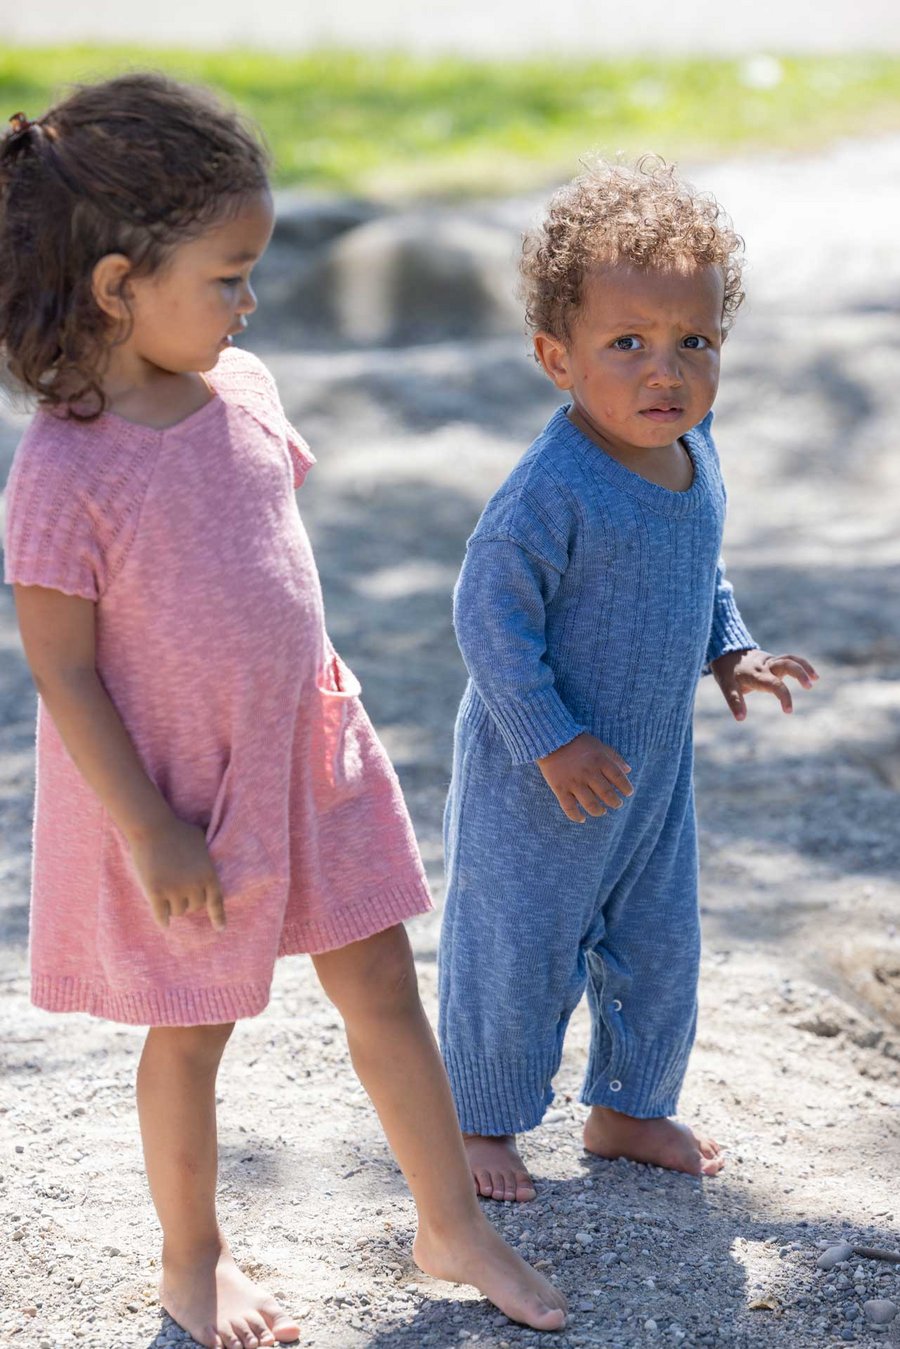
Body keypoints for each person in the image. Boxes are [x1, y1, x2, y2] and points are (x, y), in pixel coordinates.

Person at [0, 74, 568, 1347]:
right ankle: (192, 1258)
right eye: (227, 274)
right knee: (192, 1033)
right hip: (182, 796)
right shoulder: (63, 468)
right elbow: (64, 669)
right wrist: (151, 830)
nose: (250, 301)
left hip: (311, 749)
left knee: (379, 979)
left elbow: (264, 563)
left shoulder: (245, 388)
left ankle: (449, 1221)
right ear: (114, 286)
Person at [438, 157, 818, 1204]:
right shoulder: (549, 490)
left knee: (659, 943)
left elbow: (698, 566)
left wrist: (731, 647)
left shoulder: (693, 448)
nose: (667, 372)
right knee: (517, 949)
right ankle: (478, 1121)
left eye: (693, 341)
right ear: (555, 357)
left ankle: (628, 1106)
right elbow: (488, 616)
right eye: (628, 345)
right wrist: (550, 737)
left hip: (652, 774)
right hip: (541, 776)